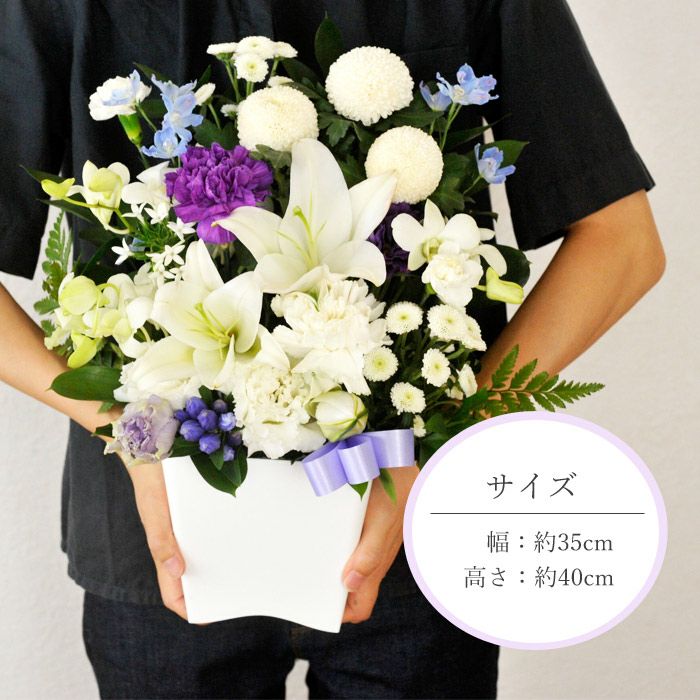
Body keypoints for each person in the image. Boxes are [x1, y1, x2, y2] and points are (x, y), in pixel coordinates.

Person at [0, 1, 664, 698]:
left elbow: (623, 244)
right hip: (166, 538)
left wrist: (438, 448)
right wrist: (133, 433)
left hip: (406, 535)